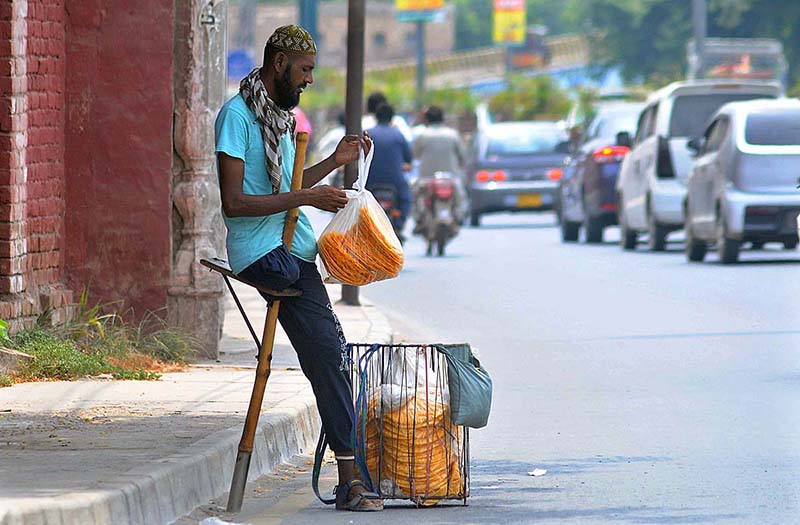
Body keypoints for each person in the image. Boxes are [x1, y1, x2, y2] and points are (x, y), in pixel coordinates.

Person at [214, 25, 382, 512]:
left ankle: (350, 477)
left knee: (328, 356)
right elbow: (236, 202)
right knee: (328, 352)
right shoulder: (237, 118)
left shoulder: (282, 119)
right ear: (279, 63)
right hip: (261, 254)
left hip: (292, 250)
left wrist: (333, 162)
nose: (308, 79)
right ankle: (351, 481)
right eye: (304, 69)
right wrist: (308, 197)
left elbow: (289, 184)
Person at [411, 105, 468, 228]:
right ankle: (458, 218)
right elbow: (463, 157)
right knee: (460, 197)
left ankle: (419, 221)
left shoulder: (423, 135)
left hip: (427, 179)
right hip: (450, 178)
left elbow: (415, 155)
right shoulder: (453, 135)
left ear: (427, 119)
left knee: (415, 194)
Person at [365, 102, 413, 235]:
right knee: (406, 198)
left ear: (376, 116)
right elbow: (408, 158)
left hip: (371, 180)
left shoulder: (369, 134)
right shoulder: (398, 134)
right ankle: (399, 224)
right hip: (395, 180)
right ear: (392, 117)